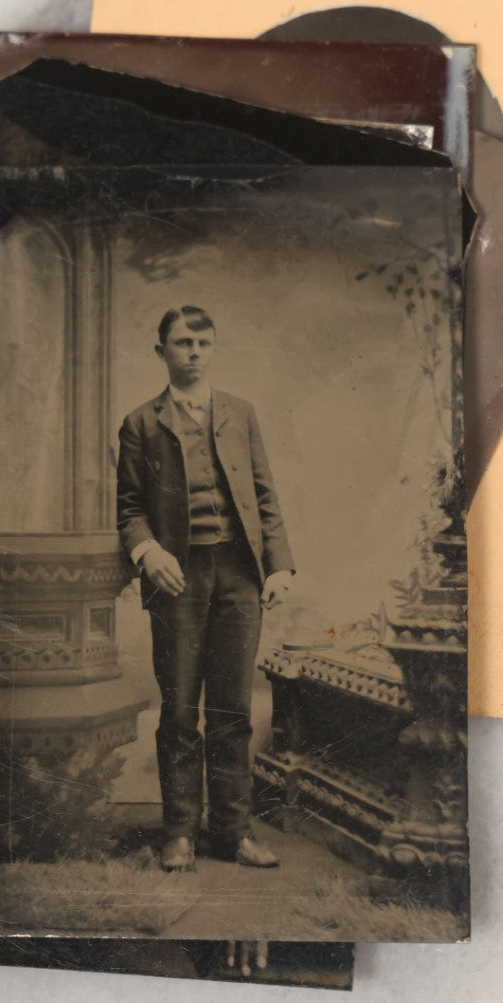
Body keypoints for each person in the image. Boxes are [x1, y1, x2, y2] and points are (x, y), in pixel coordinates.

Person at [116, 305, 294, 872]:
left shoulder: (241, 413)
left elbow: (264, 494)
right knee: (178, 711)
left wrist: (278, 566)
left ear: (213, 349)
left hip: (239, 574)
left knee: (233, 708)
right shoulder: (141, 423)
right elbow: (129, 509)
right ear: (162, 351)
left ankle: (234, 833)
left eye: (203, 343)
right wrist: (149, 553)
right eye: (182, 342)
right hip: (179, 578)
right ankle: (179, 834)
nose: (194, 352)